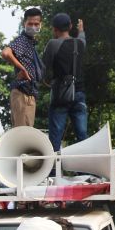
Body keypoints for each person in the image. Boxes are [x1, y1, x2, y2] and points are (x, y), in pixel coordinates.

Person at [41, 12, 87, 151]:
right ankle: (84, 169)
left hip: (60, 95)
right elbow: (82, 37)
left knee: (56, 134)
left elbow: (43, 68)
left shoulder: (53, 44)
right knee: (82, 134)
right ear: (70, 26)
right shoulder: (80, 43)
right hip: (78, 93)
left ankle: (53, 169)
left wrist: (43, 81)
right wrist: (81, 30)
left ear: (55, 29)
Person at [2, 7, 44, 127]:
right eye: (30, 23)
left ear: (41, 24)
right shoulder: (23, 40)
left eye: (36, 24)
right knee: (23, 134)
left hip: (28, 93)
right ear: (24, 23)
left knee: (25, 131)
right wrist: (22, 68)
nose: (33, 27)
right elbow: (6, 53)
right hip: (22, 92)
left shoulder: (30, 43)